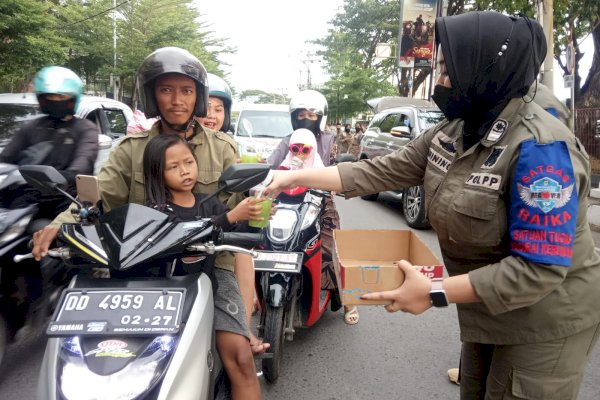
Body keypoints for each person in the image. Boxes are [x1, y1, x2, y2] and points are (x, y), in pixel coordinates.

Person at [263, 12, 600, 400]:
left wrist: (435, 291)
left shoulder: (542, 150)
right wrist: (293, 176)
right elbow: (379, 171)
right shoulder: (454, 129)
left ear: (485, 67)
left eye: (447, 69)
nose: (440, 80)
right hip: (484, 306)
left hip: (545, 319)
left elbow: (538, 271)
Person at [31, 47, 262, 400]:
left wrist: (256, 210)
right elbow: (97, 198)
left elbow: (236, 216)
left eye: (186, 90)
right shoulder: (130, 149)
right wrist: (61, 223)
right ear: (152, 94)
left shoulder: (223, 148)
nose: (176, 100)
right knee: (93, 354)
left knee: (241, 356)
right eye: (166, 89)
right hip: (138, 264)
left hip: (210, 265)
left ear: (197, 96)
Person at [445, 79, 575, 387]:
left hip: (539, 299)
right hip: (492, 282)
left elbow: (538, 265)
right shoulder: (485, 97)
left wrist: (433, 293)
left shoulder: (540, 122)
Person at [0, 65, 98, 337]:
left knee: (58, 241)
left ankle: (63, 293)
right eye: (49, 98)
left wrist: (65, 178)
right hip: (24, 201)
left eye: (61, 98)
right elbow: (6, 159)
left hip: (64, 201)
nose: (55, 103)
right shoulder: (31, 127)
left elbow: (83, 164)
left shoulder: (84, 130)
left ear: (73, 99)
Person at [268, 89, 359, 325]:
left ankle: (350, 300)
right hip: (286, 199)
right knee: (263, 239)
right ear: (294, 116)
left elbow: (335, 169)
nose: (307, 118)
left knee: (330, 249)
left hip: (320, 199)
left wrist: (334, 184)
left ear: (320, 117)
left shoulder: (328, 140)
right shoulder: (287, 141)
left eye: (312, 114)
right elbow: (271, 165)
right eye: (301, 113)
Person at [196, 72, 270, 356]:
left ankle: (245, 325)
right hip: (178, 234)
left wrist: (254, 198)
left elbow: (238, 197)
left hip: (220, 233)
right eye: (207, 108)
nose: (211, 115)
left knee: (243, 248)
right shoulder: (167, 143)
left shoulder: (228, 146)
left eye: (219, 109)